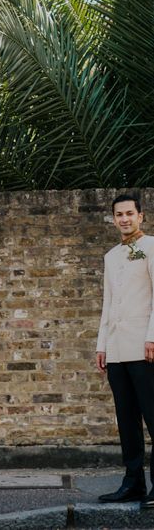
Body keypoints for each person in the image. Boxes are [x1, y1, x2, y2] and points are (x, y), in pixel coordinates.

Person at [96, 194, 154, 509]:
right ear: (114, 218)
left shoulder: (152, 248)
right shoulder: (110, 256)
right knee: (126, 420)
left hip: (145, 348)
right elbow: (107, 303)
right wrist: (101, 345)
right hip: (117, 350)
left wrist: (153, 338)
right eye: (119, 214)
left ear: (140, 216)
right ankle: (132, 483)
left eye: (129, 213)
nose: (124, 219)